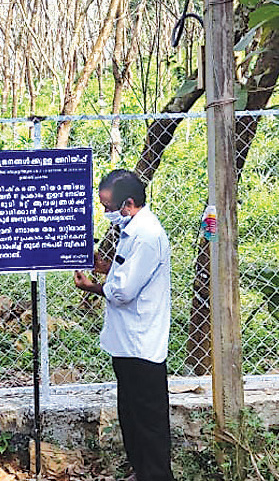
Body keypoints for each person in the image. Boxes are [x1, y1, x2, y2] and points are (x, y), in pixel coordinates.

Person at [73, 169, 174, 481]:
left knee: (148, 419)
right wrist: (105, 269)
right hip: (127, 340)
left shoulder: (145, 236)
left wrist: (93, 286)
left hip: (141, 343)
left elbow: (124, 291)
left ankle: (156, 475)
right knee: (131, 415)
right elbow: (124, 276)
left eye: (108, 207)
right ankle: (142, 471)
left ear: (128, 203)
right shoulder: (134, 232)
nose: (106, 213)